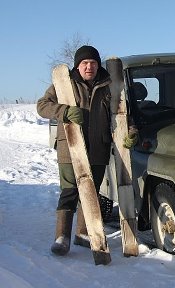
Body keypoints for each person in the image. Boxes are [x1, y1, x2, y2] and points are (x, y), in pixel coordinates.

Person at [37, 45, 113, 256]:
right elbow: (42, 105)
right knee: (69, 192)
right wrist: (65, 111)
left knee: (91, 194)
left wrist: (128, 132)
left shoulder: (108, 86)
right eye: (85, 63)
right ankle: (62, 237)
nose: (89, 67)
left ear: (98, 65)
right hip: (70, 148)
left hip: (98, 147)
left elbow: (121, 114)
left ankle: (83, 233)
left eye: (93, 63)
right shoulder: (64, 83)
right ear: (78, 66)